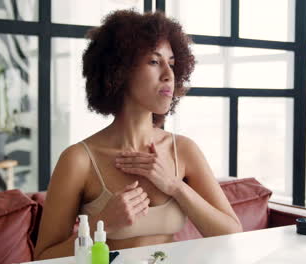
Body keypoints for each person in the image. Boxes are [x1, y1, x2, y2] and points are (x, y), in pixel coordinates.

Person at [34, 10, 242, 260]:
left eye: (172, 63)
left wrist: (174, 186)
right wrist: (103, 226)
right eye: (154, 62)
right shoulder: (79, 160)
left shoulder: (183, 150)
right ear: (119, 70)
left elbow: (233, 234)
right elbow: (43, 257)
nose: (169, 74)